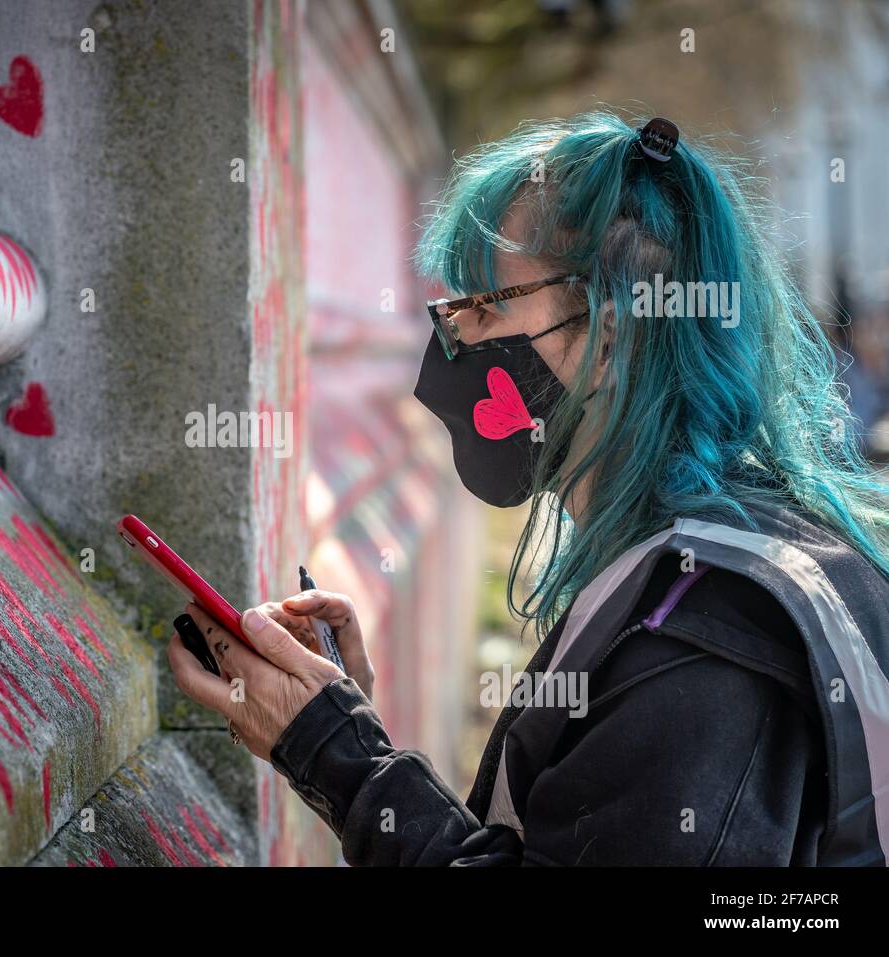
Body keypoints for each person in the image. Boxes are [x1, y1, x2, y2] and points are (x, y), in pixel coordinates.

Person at [167, 113, 889, 866]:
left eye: (486, 304)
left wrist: (335, 755)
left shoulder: (706, 646)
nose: (454, 338)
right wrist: (349, 733)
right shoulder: (725, 558)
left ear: (609, 339)